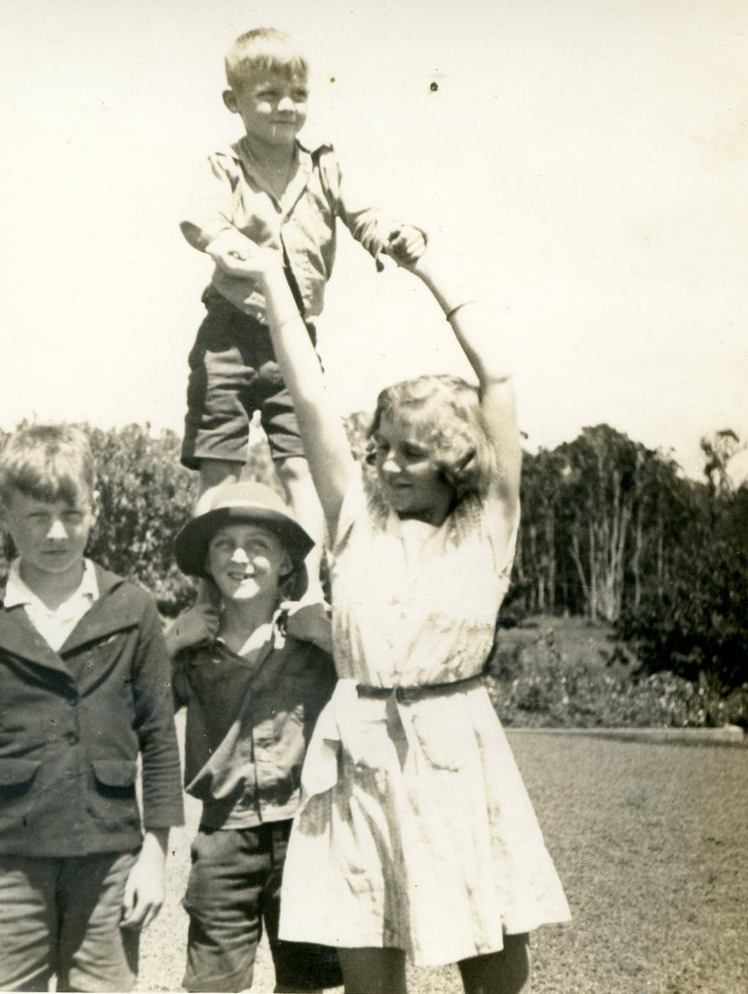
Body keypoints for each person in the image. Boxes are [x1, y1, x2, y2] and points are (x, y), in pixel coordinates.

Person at [222, 250, 571, 994]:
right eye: (381, 448)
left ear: (455, 456)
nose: (387, 465)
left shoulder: (488, 526)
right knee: (367, 957)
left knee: (492, 960)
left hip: (459, 748)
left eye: (411, 453)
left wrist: (429, 269)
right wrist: (269, 276)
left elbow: (499, 381)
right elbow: (308, 394)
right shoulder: (356, 518)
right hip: (359, 750)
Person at [0, 423, 185, 992]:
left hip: (109, 858)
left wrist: (154, 857)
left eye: (72, 514)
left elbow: (159, 741)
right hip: (7, 855)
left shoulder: (133, 608)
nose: (56, 532)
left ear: (96, 508)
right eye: (36, 516)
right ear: (5, 515)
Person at [179, 26, 427, 600]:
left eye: (297, 94)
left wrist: (395, 235)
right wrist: (226, 242)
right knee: (220, 466)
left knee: (302, 462)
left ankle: (309, 591)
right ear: (234, 101)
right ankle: (208, 598)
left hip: (296, 342)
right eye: (268, 95)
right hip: (230, 333)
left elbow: (366, 214)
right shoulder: (225, 166)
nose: (285, 107)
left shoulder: (324, 166)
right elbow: (198, 217)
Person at [166, 480, 342, 993]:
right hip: (223, 839)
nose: (239, 557)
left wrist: (328, 635)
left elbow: (378, 681)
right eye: (224, 544)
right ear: (207, 561)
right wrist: (167, 642)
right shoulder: (192, 649)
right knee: (213, 984)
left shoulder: (309, 641)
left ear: (285, 562)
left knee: (305, 982)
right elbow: (133, 711)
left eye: (258, 544)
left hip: (306, 834)